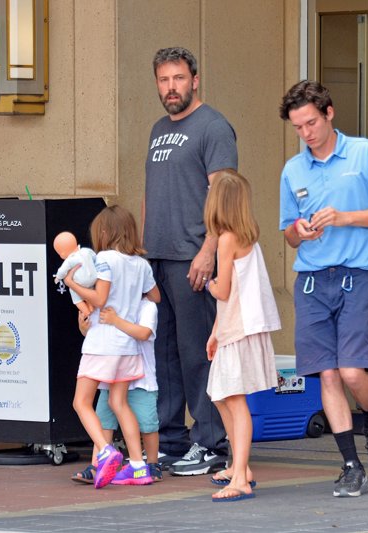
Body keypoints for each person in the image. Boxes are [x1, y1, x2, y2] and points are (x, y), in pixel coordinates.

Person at [278, 80, 368, 497]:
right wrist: (299, 231)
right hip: (312, 280)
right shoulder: (293, 169)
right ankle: (350, 464)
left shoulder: (365, 153)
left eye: (311, 122)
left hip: (355, 276)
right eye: (298, 127)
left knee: (353, 371)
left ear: (329, 113)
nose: (306, 133)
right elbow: (288, 233)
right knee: (327, 374)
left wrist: (345, 218)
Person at [143, 46, 237, 475]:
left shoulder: (213, 127)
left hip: (193, 259)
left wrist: (208, 251)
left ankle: (212, 442)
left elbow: (223, 198)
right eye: (164, 80)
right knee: (165, 355)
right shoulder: (158, 129)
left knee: (199, 353)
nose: (171, 87)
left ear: (194, 79)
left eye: (178, 78)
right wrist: (142, 255)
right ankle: (171, 440)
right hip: (158, 258)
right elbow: (150, 195)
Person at [64, 205, 160, 488]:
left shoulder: (103, 258)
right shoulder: (141, 264)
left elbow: (100, 298)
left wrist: (72, 283)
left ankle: (106, 452)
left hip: (102, 343)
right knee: (119, 403)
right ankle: (139, 466)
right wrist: (130, 292)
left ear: (104, 232)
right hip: (127, 347)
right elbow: (154, 294)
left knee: (80, 402)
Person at [203, 170, 281, 502]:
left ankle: (241, 476)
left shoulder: (226, 239)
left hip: (238, 329)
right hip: (237, 328)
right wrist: (215, 331)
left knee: (233, 400)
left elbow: (222, 290)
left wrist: (207, 283)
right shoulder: (247, 236)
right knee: (222, 396)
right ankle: (240, 467)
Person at [72, 297, 162, 484]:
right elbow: (93, 334)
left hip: (142, 379)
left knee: (148, 425)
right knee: (104, 422)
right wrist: (84, 326)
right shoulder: (106, 303)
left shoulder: (147, 306)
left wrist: (116, 321)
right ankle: (97, 465)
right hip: (109, 377)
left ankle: (152, 463)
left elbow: (144, 333)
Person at [53, 231, 97, 316]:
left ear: (62, 254)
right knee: (89, 291)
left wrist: (58, 278)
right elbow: (95, 257)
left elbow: (62, 271)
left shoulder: (70, 260)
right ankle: (91, 307)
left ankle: (86, 311)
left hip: (81, 282)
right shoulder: (86, 251)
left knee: (75, 294)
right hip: (93, 279)